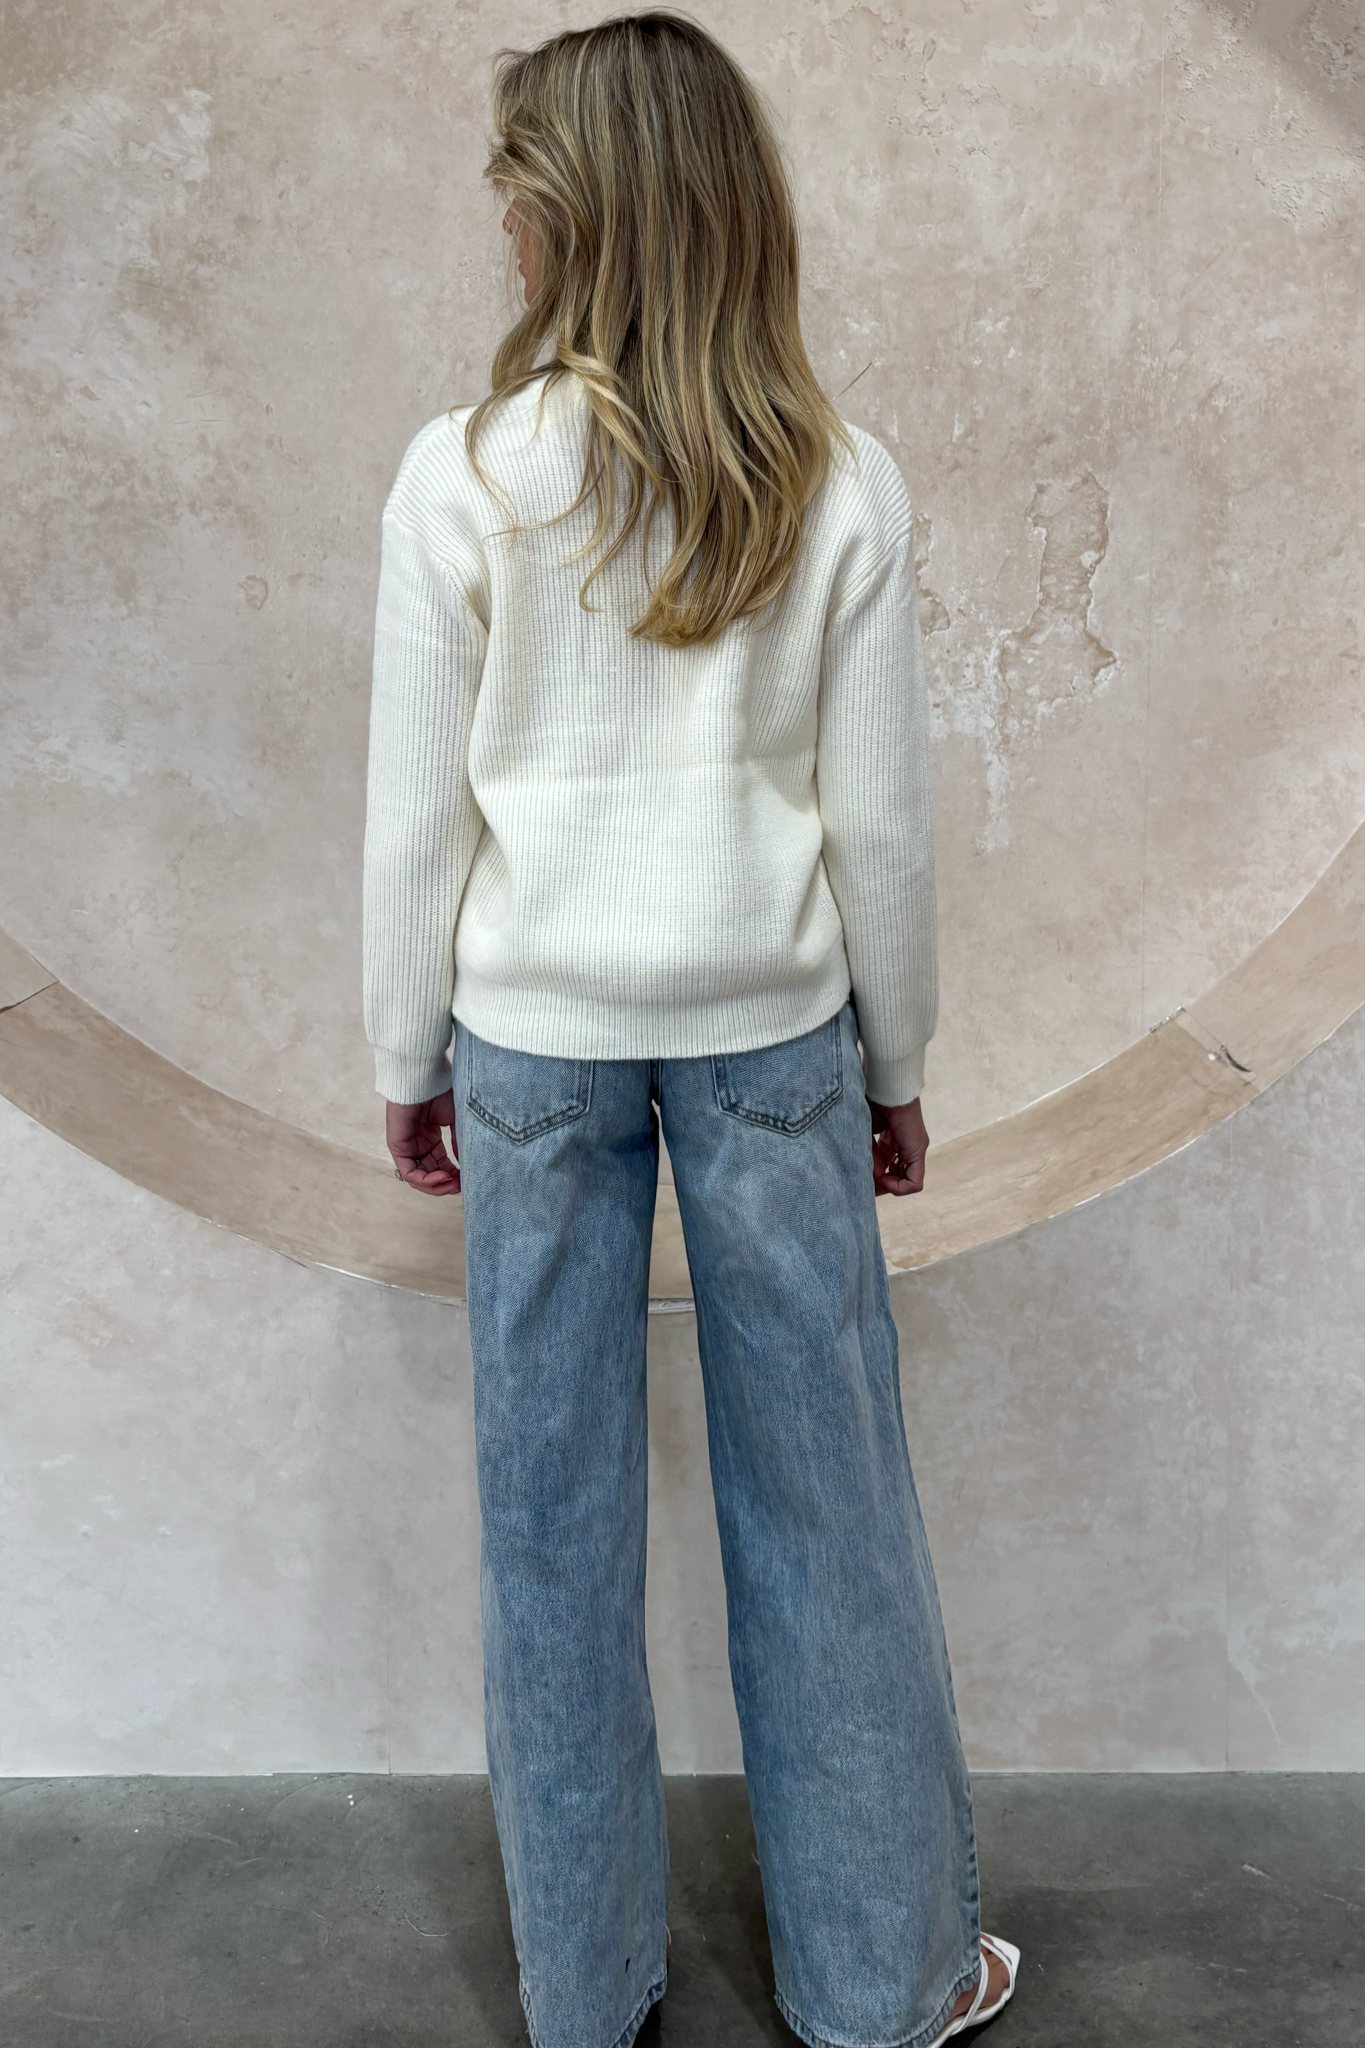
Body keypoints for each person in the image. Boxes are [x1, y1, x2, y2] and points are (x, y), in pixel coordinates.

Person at [362, 14, 1019, 2047]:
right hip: (773, 1039)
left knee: (547, 1524)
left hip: (528, 1052)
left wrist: (404, 1053)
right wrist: (896, 1066)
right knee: (829, 1507)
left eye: (513, 185)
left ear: (567, 214)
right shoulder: (838, 482)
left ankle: (584, 1996)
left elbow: (417, 818)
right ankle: (882, 1980)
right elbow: (878, 828)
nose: (496, 217)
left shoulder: (464, 478)